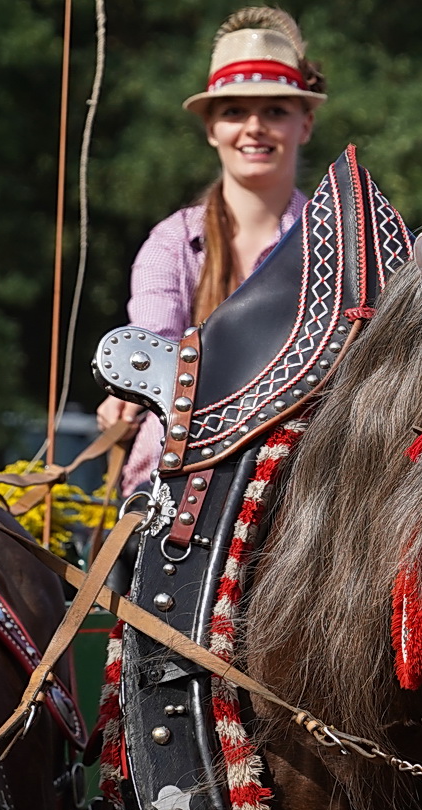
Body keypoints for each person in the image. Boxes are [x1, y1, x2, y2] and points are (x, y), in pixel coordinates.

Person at [96, 6, 323, 493]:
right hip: (177, 477)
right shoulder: (171, 244)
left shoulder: (336, 241)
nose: (255, 127)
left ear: (305, 125)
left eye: (276, 111)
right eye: (234, 111)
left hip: (305, 482)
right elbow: (153, 345)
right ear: (212, 129)